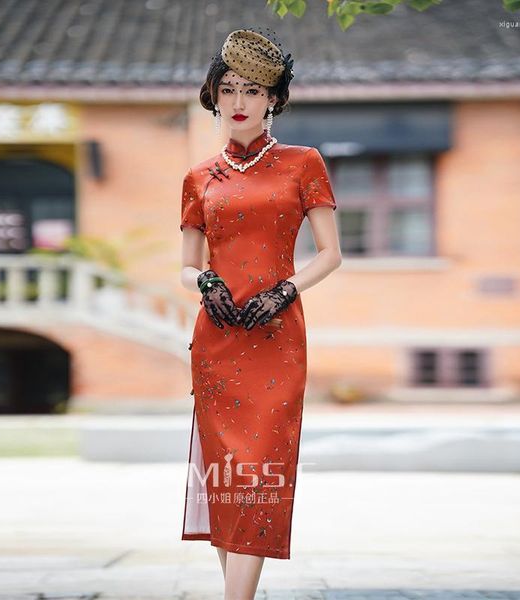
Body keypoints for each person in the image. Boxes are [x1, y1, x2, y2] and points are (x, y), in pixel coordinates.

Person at [179, 26, 342, 600]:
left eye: (253, 90)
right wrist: (203, 281)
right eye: (229, 89)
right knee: (227, 478)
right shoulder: (199, 177)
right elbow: (184, 264)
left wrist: (286, 291)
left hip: (276, 336)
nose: (240, 101)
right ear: (214, 96)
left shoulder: (303, 163)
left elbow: (331, 254)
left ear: (274, 98)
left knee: (261, 472)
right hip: (218, 338)